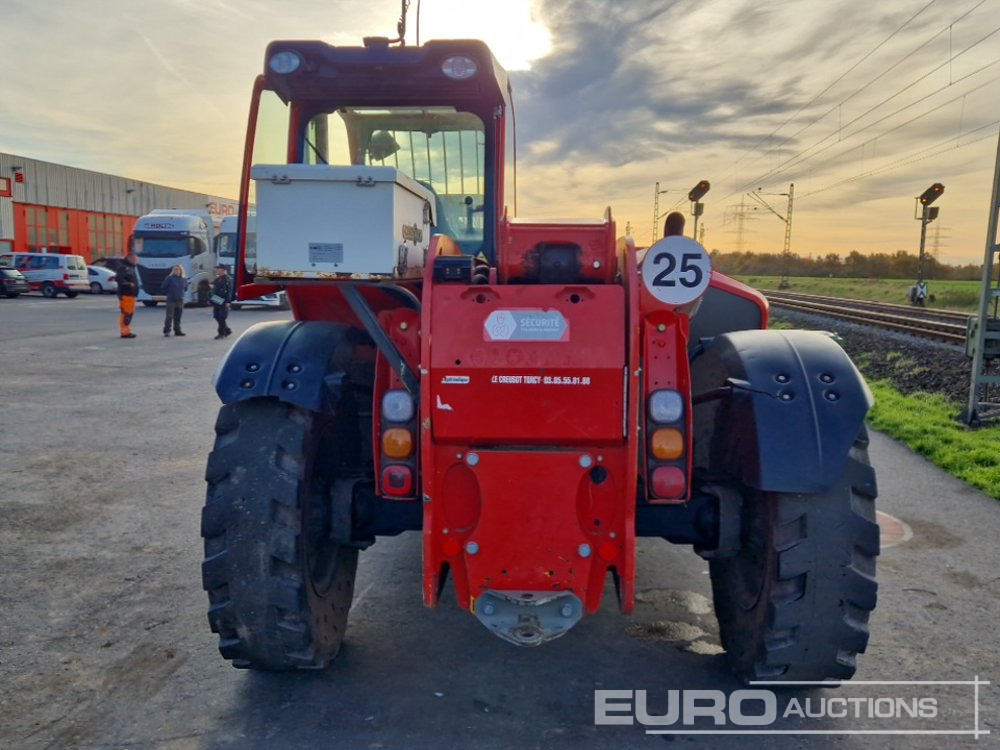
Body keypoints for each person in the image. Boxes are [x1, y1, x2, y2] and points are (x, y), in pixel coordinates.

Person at [114, 251, 140, 338]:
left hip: (131, 295)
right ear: (130, 258)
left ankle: (127, 331)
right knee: (126, 313)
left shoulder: (131, 267)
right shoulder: (123, 267)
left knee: (129, 313)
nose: (137, 261)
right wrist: (129, 284)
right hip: (126, 294)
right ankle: (124, 332)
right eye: (135, 259)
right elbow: (118, 278)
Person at [160, 265, 188, 337]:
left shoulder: (183, 279)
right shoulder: (169, 278)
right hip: (171, 300)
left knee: (178, 317)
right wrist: (170, 294)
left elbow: (185, 288)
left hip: (180, 300)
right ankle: (167, 331)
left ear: (181, 271)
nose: (177, 271)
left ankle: (177, 330)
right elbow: (163, 287)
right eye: (175, 269)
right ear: (173, 271)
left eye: (178, 270)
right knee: (169, 316)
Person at [211, 264, 233, 340]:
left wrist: (228, 302)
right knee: (217, 316)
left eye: (219, 269)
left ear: (223, 270)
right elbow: (213, 290)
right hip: (217, 300)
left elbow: (229, 291)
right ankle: (227, 330)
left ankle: (221, 333)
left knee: (222, 317)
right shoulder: (217, 279)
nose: (217, 270)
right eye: (217, 269)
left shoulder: (228, 279)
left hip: (224, 300)